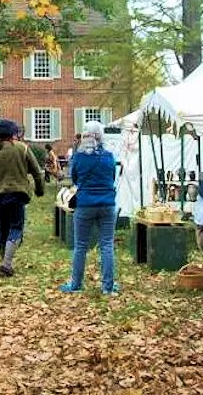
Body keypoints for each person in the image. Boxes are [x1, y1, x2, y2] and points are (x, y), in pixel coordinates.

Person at [59, 121, 119, 295]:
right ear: (101, 137)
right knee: (107, 245)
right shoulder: (109, 156)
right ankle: (108, 287)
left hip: (85, 204)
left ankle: (76, 285)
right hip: (107, 204)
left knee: (81, 245)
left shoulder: (78, 157)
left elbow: (75, 179)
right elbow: (112, 176)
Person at [0, 119, 44, 277]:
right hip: (18, 194)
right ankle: (6, 264)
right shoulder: (22, 148)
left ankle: (4, 261)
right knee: (16, 228)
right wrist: (39, 190)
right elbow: (37, 171)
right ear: (12, 134)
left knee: (2, 228)